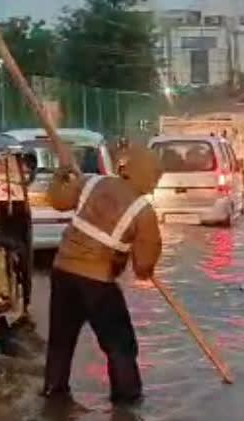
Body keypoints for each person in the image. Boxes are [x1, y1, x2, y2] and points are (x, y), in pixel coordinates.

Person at [42, 146, 164, 404]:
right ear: (148, 177)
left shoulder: (90, 182)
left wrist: (60, 177)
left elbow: (57, 201)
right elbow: (143, 268)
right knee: (120, 345)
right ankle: (127, 403)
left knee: (60, 342)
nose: (154, 187)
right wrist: (134, 255)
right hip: (97, 282)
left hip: (62, 272)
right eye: (155, 179)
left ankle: (54, 393)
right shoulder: (143, 213)